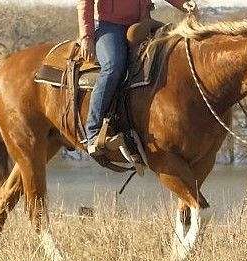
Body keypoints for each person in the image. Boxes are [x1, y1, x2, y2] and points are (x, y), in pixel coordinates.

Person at [77, 0, 197, 155]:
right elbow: (85, 2)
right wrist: (87, 37)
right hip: (109, 26)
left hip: (142, 24)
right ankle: (93, 132)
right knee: (113, 66)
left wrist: (184, 3)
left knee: (173, 56)